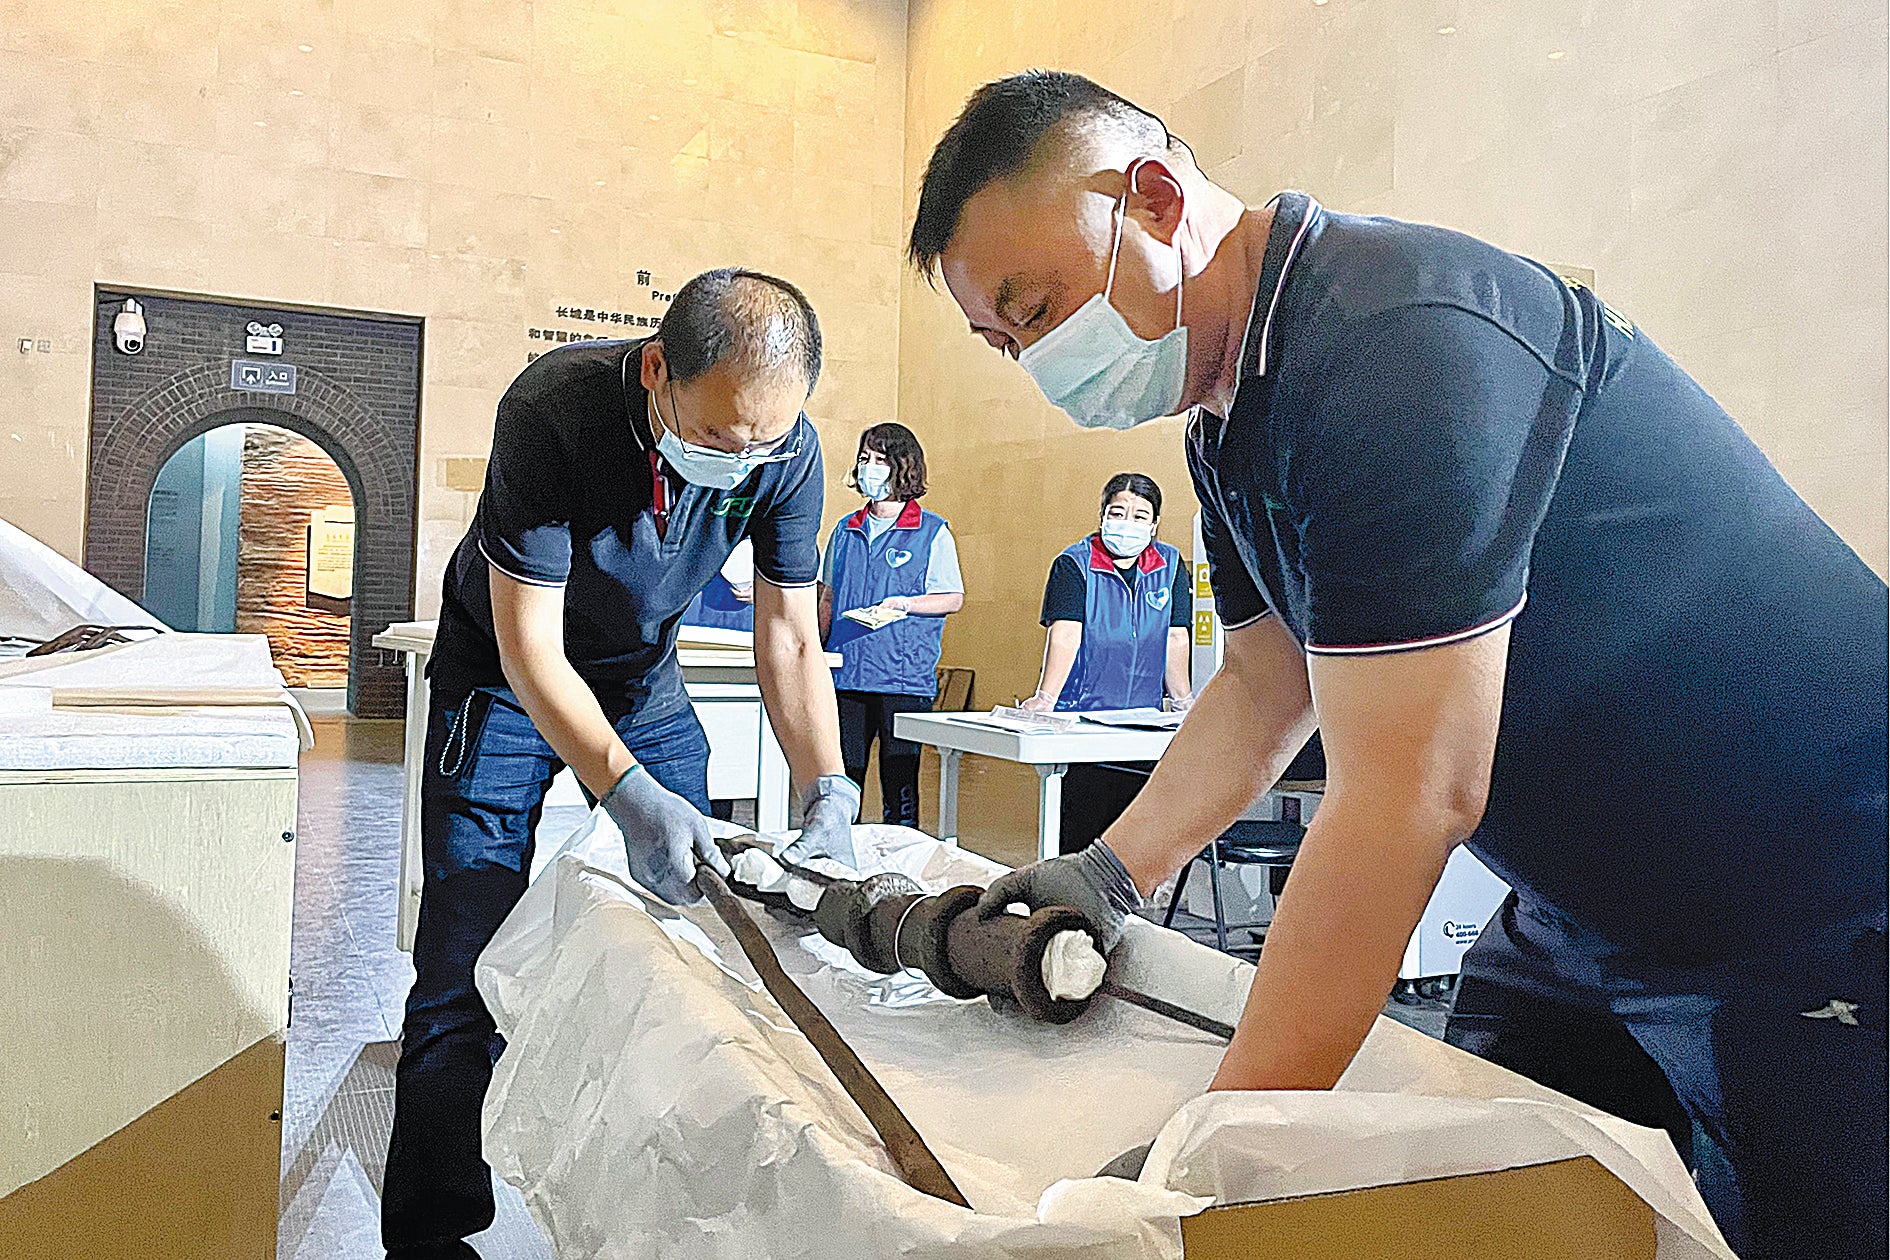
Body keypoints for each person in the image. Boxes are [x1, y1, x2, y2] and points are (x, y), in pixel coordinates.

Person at [906, 70, 1887, 1260]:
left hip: (1811, 891)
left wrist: (1219, 1152)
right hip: (1587, 909)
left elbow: (1414, 793)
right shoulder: (1229, 416)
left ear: (1156, 200)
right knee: (1475, 1199)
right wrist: (1112, 871)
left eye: (1041, 305)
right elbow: (1269, 686)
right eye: (1008, 343)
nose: (1042, 357)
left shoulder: (1395, 343)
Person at [383, 268, 862, 1260]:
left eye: (766, 441)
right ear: (658, 372)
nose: (745, 459)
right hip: (504, 675)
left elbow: (789, 639)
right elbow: (530, 649)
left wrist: (829, 786)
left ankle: (661, 1216)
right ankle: (430, 1236)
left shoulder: (789, 449)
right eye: (724, 437)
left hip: (641, 677)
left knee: (695, 937)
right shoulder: (554, 414)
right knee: (461, 957)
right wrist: (626, 793)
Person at [1019, 470, 1192, 852]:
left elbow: (1175, 637)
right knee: (1083, 832)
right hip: (1082, 720)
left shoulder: (1170, 564)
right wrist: (1045, 699)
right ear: (1102, 516)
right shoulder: (1073, 564)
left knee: (1131, 831)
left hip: (1142, 722)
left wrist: (1183, 702)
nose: (1127, 523)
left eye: (1139, 515)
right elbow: (1065, 633)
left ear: (1154, 524)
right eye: (1118, 512)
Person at [818, 422, 964, 827]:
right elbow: (828, 596)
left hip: (903, 677)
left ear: (903, 467)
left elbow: (952, 598)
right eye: (865, 459)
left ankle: (903, 856)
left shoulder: (932, 531)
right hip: (848, 674)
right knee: (844, 774)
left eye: (880, 460)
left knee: (900, 779)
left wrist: (907, 603)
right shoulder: (845, 530)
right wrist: (816, 647)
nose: (869, 468)